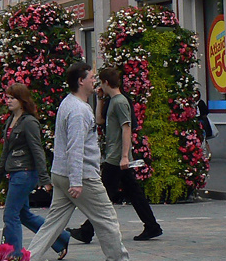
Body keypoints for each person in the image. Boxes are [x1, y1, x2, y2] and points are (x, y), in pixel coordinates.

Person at [26, 62, 147, 261]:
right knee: (107, 219)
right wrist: (77, 181)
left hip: (62, 173)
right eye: (91, 77)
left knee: (53, 223)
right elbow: (75, 147)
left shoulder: (68, 103)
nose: (94, 80)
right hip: (81, 176)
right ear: (81, 81)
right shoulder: (79, 111)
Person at [67, 66, 163, 244]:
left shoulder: (120, 102)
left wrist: (125, 156)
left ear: (105, 82)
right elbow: (100, 121)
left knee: (104, 194)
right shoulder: (113, 101)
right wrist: (101, 100)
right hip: (116, 156)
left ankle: (87, 231)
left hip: (116, 157)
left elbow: (126, 128)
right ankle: (152, 225)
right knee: (132, 192)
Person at [0, 83, 70, 260]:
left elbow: (37, 150)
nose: (9, 100)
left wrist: (44, 178)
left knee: (10, 214)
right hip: (15, 172)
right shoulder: (11, 121)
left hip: (25, 172)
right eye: (8, 97)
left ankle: (14, 256)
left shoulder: (29, 122)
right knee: (23, 214)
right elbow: (7, 150)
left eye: (13, 97)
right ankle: (60, 238)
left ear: (22, 100)